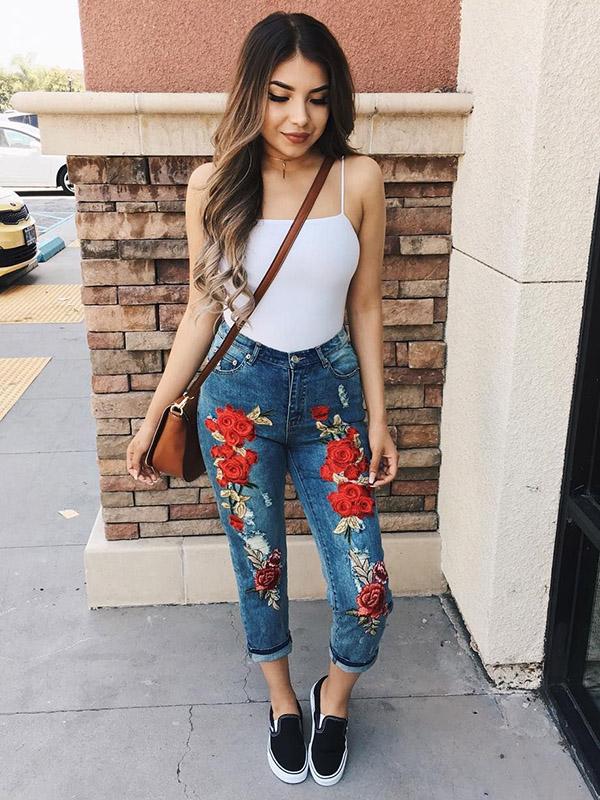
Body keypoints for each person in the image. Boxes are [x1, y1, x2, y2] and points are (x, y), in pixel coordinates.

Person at [126, 11, 398, 787]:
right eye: (280, 96)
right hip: (237, 397)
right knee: (261, 566)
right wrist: (151, 418)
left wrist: (379, 418)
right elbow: (201, 310)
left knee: (367, 587)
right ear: (253, 94)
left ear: (334, 100)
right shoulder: (213, 185)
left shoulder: (358, 179)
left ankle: (333, 698)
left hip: (331, 402)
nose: (298, 117)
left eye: (316, 97)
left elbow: (367, 306)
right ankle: (282, 702)